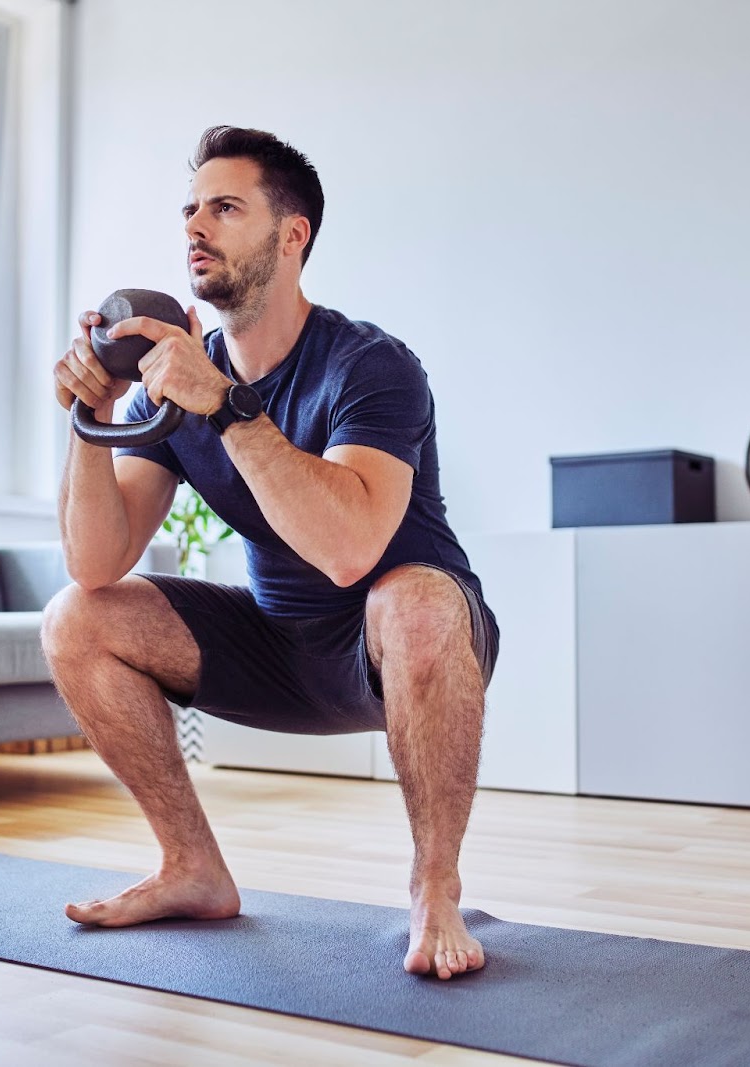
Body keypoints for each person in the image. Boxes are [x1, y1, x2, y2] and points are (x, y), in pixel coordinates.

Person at [43, 126, 498, 980]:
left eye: (225, 207)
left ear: (293, 237)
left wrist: (225, 407)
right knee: (77, 618)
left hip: (396, 643)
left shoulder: (370, 365)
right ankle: (193, 868)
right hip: (275, 646)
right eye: (189, 209)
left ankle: (436, 886)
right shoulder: (179, 376)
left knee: (415, 601)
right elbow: (94, 563)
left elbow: (351, 548)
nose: (195, 227)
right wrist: (91, 421)